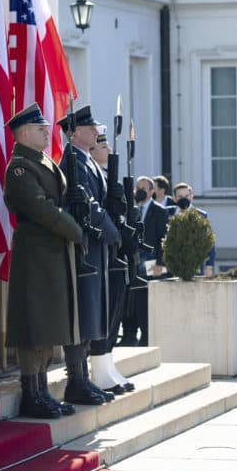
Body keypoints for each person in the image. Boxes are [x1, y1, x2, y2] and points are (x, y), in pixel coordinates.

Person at [3, 103, 82, 418]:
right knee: (34, 324)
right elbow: (40, 208)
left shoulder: (42, 161)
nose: (47, 131)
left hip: (51, 250)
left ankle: (42, 389)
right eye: (40, 128)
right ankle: (30, 392)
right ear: (23, 133)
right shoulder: (20, 166)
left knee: (49, 324)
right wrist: (74, 229)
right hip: (36, 251)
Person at [58, 106, 120, 405]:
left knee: (93, 310)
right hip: (86, 245)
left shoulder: (85, 159)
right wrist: (111, 231)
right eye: (90, 128)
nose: (97, 132)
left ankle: (83, 377)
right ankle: (76, 379)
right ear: (74, 133)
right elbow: (85, 202)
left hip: (95, 246)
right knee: (83, 312)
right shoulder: (72, 159)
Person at [86, 130, 135, 393]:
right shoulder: (88, 170)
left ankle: (106, 361)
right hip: (101, 247)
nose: (106, 148)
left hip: (114, 249)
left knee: (115, 308)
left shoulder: (105, 176)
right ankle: (99, 365)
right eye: (102, 144)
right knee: (103, 311)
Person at [120, 175, 168, 346]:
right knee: (129, 299)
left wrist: (161, 265)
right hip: (132, 261)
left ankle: (147, 337)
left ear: (152, 191)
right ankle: (128, 335)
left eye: (143, 188)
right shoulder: (129, 209)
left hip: (152, 262)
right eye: (137, 188)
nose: (139, 191)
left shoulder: (160, 211)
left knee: (146, 300)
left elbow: (164, 239)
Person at [171, 182, 216, 276]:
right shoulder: (166, 213)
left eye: (186, 196)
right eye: (180, 196)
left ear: (191, 197)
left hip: (195, 267)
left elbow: (209, 242)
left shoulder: (201, 215)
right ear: (174, 198)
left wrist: (209, 266)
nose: (183, 199)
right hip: (171, 267)